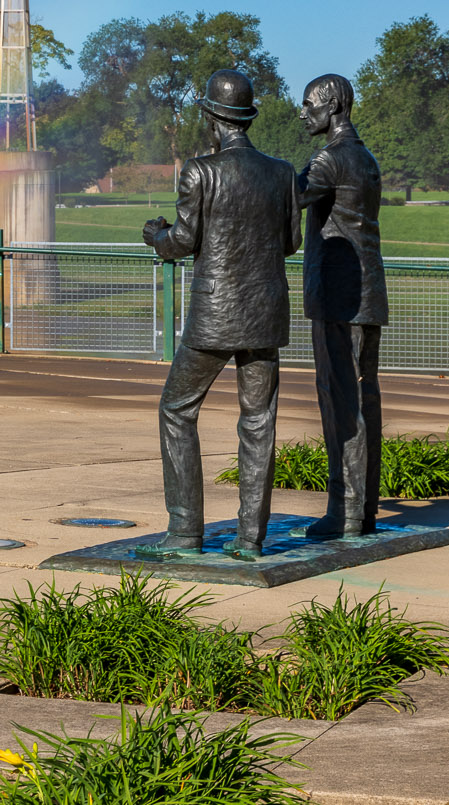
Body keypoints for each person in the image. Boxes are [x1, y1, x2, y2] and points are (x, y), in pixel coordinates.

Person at [137, 69, 301, 561]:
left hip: (215, 316)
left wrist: (155, 237)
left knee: (176, 410)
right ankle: (251, 538)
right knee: (259, 422)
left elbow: (183, 242)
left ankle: (186, 531)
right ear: (245, 119)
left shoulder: (200, 170)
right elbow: (291, 242)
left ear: (211, 118)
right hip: (265, 313)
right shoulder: (282, 173)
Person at [296, 74, 389, 538]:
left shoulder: (330, 160)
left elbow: (285, 199)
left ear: (332, 105)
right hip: (367, 296)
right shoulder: (365, 157)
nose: (303, 111)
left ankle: (346, 512)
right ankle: (362, 509)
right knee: (363, 399)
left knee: (341, 401)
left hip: (339, 299)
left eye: (309, 103)